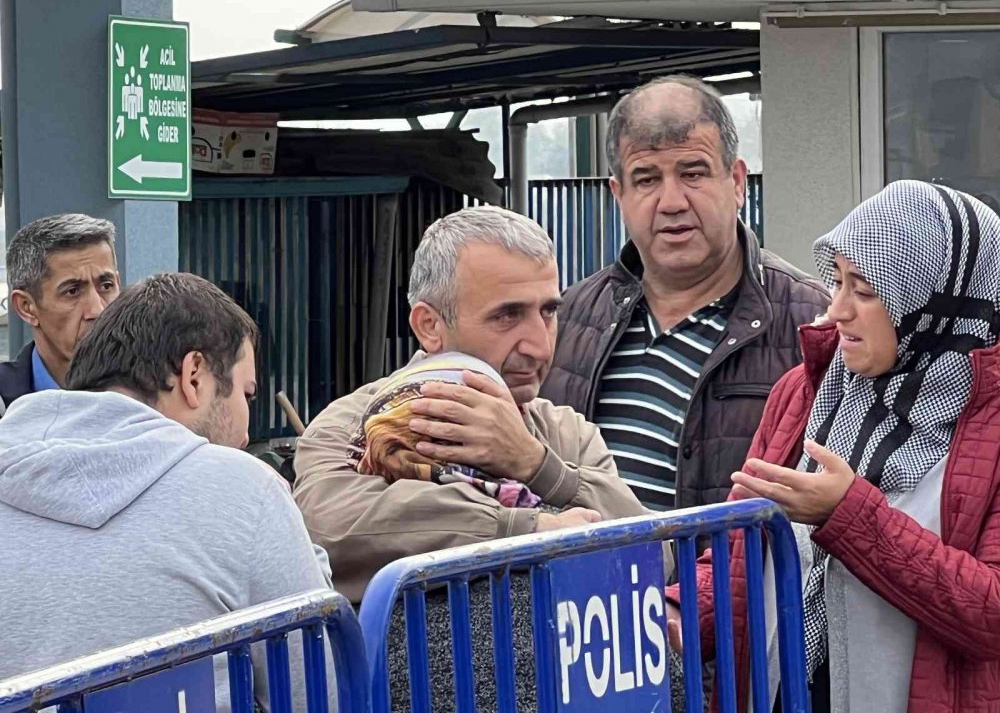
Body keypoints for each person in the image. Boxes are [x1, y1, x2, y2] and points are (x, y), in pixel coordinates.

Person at [667, 181, 1000, 712]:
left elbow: (990, 615)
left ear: (933, 302)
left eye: (865, 290)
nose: (837, 308)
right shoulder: (806, 390)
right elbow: (739, 548)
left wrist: (849, 515)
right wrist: (683, 610)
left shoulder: (990, 422)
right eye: (837, 281)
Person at [0, 272, 331, 710]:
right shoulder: (243, 491)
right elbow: (318, 691)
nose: (248, 427)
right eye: (246, 394)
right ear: (193, 376)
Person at [294, 204, 650, 605]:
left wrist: (537, 465)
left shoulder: (567, 432)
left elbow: (655, 555)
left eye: (548, 311)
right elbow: (330, 527)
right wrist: (522, 530)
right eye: (507, 315)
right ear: (429, 325)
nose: (540, 344)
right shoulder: (351, 424)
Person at [541, 76, 830, 511]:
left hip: (738, 580)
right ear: (618, 195)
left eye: (692, 173)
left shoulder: (813, 324)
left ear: (736, 182)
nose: (671, 201)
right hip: (587, 580)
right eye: (646, 179)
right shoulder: (570, 318)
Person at [0, 213, 120, 409]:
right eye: (72, 291)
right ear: (26, 307)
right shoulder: (5, 406)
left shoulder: (159, 396)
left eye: (106, 286)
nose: (97, 310)